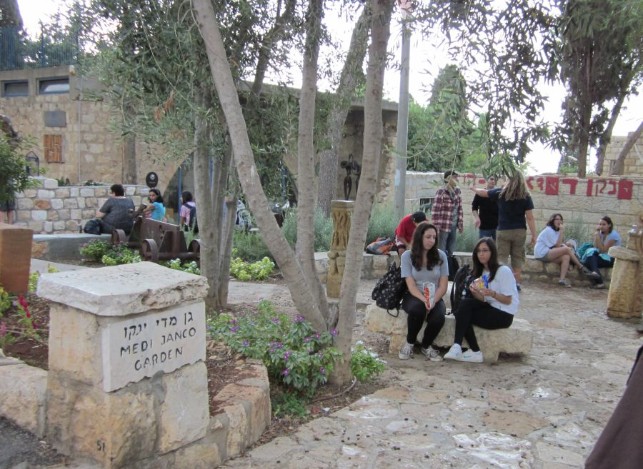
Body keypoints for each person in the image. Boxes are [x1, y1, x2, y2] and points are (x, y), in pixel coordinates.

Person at [444, 237, 518, 363]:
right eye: (478, 251)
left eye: (485, 250)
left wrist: (493, 294)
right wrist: (475, 292)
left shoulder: (503, 271)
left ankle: (470, 350)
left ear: (492, 252)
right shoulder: (483, 272)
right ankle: (461, 347)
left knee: (463, 314)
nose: (481, 254)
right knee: (462, 307)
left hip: (504, 314)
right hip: (491, 308)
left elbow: (508, 300)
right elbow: (484, 300)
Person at [471, 171, 536, 291]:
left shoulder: (500, 193)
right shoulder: (526, 196)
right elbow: (530, 217)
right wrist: (534, 235)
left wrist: (474, 189)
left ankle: (501, 283)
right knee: (517, 257)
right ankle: (516, 283)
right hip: (519, 230)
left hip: (503, 230)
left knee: (501, 258)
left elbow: (484, 193)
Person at [398, 222, 448, 362]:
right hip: (414, 295)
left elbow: (443, 285)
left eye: (434, 237)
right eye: (428, 237)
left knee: (439, 317)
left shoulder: (441, 256)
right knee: (418, 309)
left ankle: (426, 345)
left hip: (435, 295)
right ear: (420, 237)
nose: (431, 240)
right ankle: (409, 343)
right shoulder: (407, 256)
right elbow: (411, 285)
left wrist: (433, 300)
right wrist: (424, 299)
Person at [534, 213, 599, 287]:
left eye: (560, 219)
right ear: (552, 221)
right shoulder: (549, 230)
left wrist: (565, 244)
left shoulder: (556, 231)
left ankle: (562, 280)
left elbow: (557, 244)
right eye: (557, 219)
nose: (559, 221)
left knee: (566, 257)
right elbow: (557, 246)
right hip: (541, 253)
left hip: (547, 253)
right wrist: (561, 232)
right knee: (567, 250)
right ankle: (581, 266)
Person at [582, 215, 622, 290]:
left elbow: (603, 250)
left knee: (589, 260)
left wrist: (597, 236)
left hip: (611, 258)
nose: (601, 226)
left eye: (604, 224)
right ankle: (599, 282)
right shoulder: (600, 233)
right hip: (602, 256)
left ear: (609, 225)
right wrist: (597, 236)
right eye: (600, 224)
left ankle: (598, 281)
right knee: (588, 259)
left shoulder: (613, 235)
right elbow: (595, 247)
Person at [432, 170, 463, 256]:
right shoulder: (441, 191)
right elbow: (435, 210)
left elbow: (459, 208)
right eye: (455, 177)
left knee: (450, 249)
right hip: (443, 226)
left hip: (453, 225)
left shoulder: (457, 191)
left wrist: (460, 224)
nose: (457, 179)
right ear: (449, 178)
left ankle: (449, 267)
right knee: (441, 250)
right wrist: (436, 227)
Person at [471, 175, 498, 240]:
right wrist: (477, 218)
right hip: (484, 226)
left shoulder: (498, 193)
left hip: (498, 227)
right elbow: (474, 207)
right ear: (487, 180)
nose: (493, 181)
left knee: (497, 249)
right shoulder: (480, 193)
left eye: (495, 180)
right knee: (484, 247)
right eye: (491, 179)